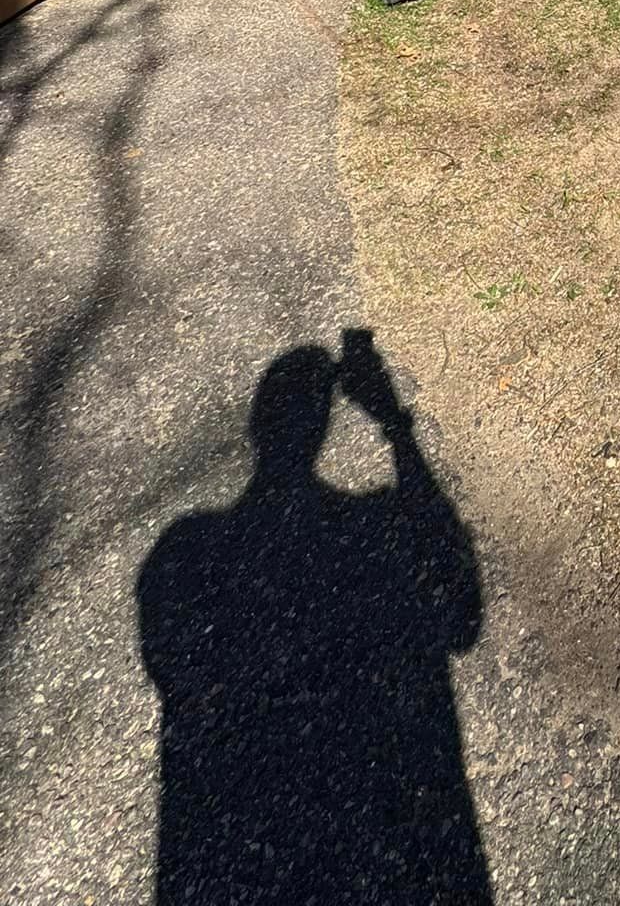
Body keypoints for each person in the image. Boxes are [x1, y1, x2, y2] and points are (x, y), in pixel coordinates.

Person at [138, 334, 491, 904]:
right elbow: (463, 620)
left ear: (256, 431)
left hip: (232, 852)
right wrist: (395, 427)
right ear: (327, 427)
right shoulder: (377, 530)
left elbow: (172, 669)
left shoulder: (184, 553)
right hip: (397, 829)